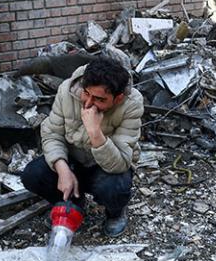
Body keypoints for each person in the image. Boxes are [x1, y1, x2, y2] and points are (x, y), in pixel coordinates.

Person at [21, 57, 144, 236]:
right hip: (73, 160)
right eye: (87, 94)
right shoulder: (67, 90)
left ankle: (115, 214)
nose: (88, 104)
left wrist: (95, 132)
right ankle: (72, 203)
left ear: (118, 98)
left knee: (115, 188)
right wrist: (62, 169)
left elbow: (121, 162)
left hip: (105, 167)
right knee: (32, 175)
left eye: (99, 99)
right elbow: (51, 133)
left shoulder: (131, 104)